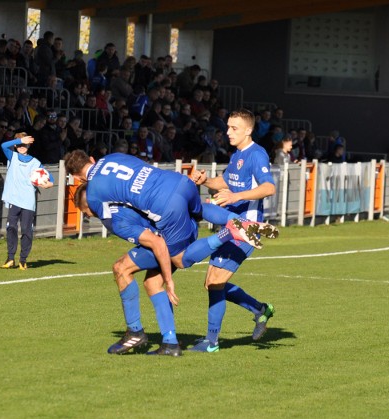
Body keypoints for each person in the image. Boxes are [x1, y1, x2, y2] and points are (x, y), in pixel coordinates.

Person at [73, 182, 277, 356]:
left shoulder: (115, 218)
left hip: (167, 236)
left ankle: (136, 333)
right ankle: (170, 342)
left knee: (123, 267)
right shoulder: (124, 196)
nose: (88, 216)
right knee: (153, 282)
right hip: (181, 220)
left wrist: (169, 279)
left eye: (85, 212)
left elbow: (156, 243)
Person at [64, 149, 278, 313]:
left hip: (164, 207)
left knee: (179, 260)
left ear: (79, 178)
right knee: (200, 209)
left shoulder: (94, 191)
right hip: (179, 182)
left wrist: (169, 280)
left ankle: (228, 231)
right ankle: (239, 222)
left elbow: (112, 218)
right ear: (91, 159)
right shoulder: (114, 156)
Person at [190, 108, 278, 352]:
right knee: (211, 283)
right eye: (228, 127)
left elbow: (269, 187)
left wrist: (236, 196)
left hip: (246, 229)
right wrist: (205, 181)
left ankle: (211, 342)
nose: (228, 132)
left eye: (234, 128)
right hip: (229, 226)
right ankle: (260, 309)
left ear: (248, 130)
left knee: (216, 281)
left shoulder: (257, 155)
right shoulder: (237, 155)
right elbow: (225, 182)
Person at [0, 134, 54, 270]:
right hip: (14, 199)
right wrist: (19, 140)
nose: (21, 147)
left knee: (26, 230)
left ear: (29, 145)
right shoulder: (12, 156)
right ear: (16, 145)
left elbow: (50, 177)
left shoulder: (35, 162)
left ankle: (23, 260)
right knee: (11, 227)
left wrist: (49, 184)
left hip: (28, 201)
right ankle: (10, 258)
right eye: (19, 145)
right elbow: (2, 145)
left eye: (24, 144)